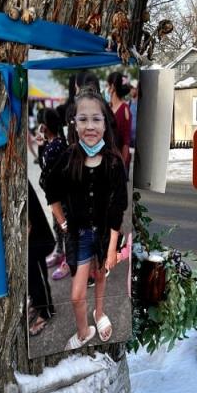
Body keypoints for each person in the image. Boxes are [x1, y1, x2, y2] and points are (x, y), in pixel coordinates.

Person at [44, 88, 128, 350]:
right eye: (83, 119)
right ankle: (83, 332)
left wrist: (113, 247)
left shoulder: (114, 162)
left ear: (105, 123)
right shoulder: (68, 159)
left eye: (96, 119)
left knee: (101, 275)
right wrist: (63, 222)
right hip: (79, 236)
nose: (90, 126)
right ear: (74, 123)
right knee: (77, 294)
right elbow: (50, 189)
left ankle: (100, 312)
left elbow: (117, 208)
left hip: (104, 235)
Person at [37, 108, 69, 275]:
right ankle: (60, 252)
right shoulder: (57, 144)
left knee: (64, 227)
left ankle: (67, 260)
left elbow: (46, 174)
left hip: (59, 198)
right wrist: (42, 143)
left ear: (44, 126)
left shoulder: (53, 148)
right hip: (59, 197)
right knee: (58, 227)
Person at [27, 181, 55, 336]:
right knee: (28, 270)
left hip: (32, 227)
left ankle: (46, 310)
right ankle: (36, 302)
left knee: (35, 266)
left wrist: (28, 220)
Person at [107, 71, 132, 169]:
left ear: (112, 87)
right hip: (107, 160)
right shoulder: (108, 108)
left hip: (118, 161)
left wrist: (122, 164)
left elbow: (126, 142)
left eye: (107, 85)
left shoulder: (124, 109)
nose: (107, 89)